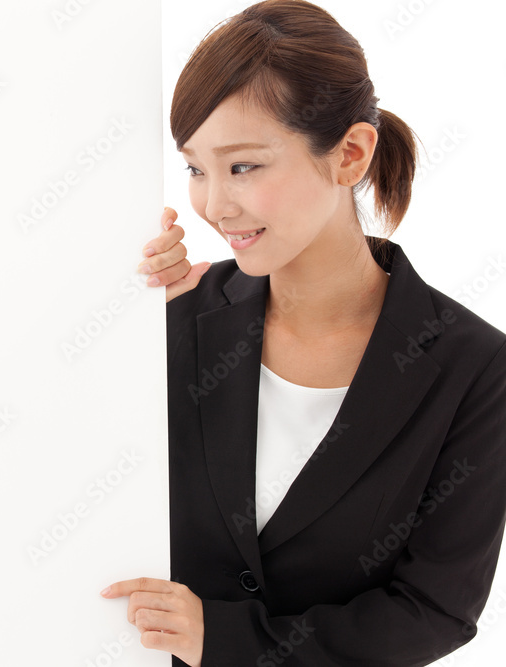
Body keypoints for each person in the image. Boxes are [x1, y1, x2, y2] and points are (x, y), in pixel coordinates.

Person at [98, 1, 506, 665]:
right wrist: (119, 298)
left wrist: (224, 639)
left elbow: (435, 609)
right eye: (196, 168)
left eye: (244, 166)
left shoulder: (475, 367)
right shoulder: (177, 315)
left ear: (349, 154)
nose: (214, 205)